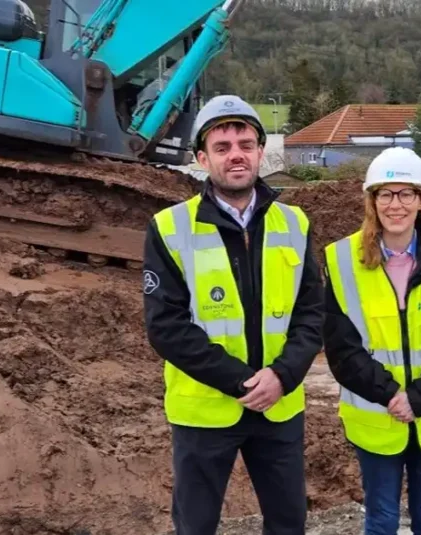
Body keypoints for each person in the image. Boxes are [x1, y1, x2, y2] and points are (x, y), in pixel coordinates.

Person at [142, 94, 324, 535]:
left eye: (245, 144)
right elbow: (166, 327)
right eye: (222, 147)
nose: (236, 155)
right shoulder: (169, 227)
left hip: (279, 407)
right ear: (202, 159)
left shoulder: (295, 224)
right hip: (205, 412)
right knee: (196, 525)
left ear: (261, 151)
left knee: (288, 524)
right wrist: (242, 381)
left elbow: (312, 314)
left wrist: (281, 376)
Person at [322, 147, 421, 535]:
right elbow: (341, 349)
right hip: (377, 418)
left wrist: (419, 398)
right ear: (372, 201)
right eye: (386, 194)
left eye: (407, 193)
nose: (396, 205)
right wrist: (391, 395)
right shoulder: (342, 260)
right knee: (381, 520)